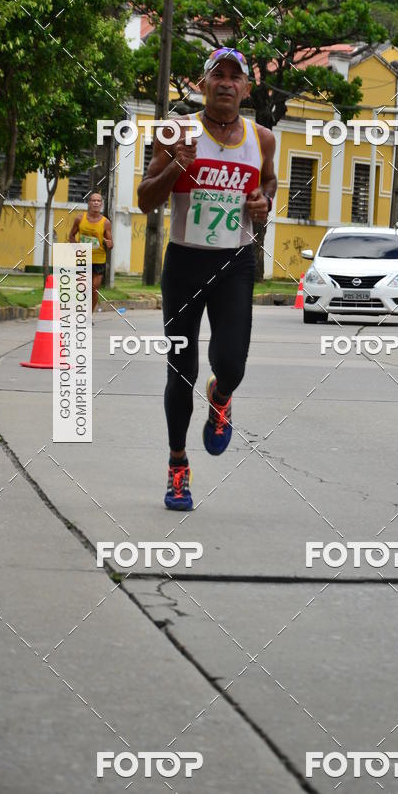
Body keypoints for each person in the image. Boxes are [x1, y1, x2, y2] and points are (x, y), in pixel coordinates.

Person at [138, 47, 277, 511]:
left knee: (231, 364)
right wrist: (177, 163)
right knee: (182, 370)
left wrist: (263, 204)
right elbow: (144, 200)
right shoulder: (177, 130)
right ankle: (178, 465)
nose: (226, 82)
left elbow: (269, 184)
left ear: (245, 89)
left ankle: (221, 397)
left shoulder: (263, 138)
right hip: (185, 263)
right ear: (202, 84)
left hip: (234, 263)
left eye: (235, 77)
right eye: (218, 74)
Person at [68, 191, 113, 315]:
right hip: (83, 258)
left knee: (94, 289)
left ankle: (89, 316)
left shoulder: (105, 222)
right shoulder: (79, 219)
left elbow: (110, 244)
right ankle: (78, 311)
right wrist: (77, 247)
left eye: (98, 201)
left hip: (99, 259)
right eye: (93, 200)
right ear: (89, 203)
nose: (96, 203)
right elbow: (71, 236)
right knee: (82, 288)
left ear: (101, 204)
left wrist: (108, 244)